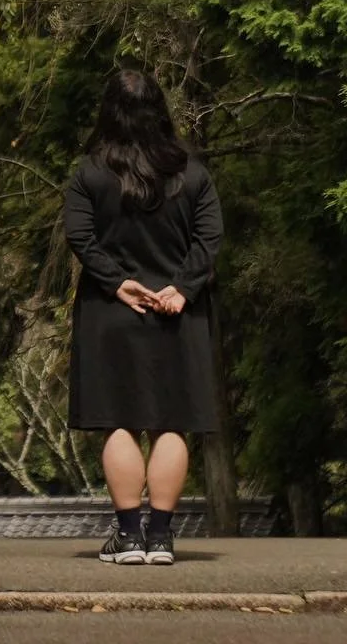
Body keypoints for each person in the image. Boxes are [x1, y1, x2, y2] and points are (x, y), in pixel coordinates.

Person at [63, 67, 224, 567]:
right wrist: (182, 287)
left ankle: (128, 536)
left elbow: (80, 237)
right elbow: (209, 237)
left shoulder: (88, 174)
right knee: (172, 423)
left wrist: (116, 281)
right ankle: (161, 539)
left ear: (108, 113)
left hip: (110, 315)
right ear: (160, 111)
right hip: (179, 316)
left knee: (118, 422)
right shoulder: (193, 174)